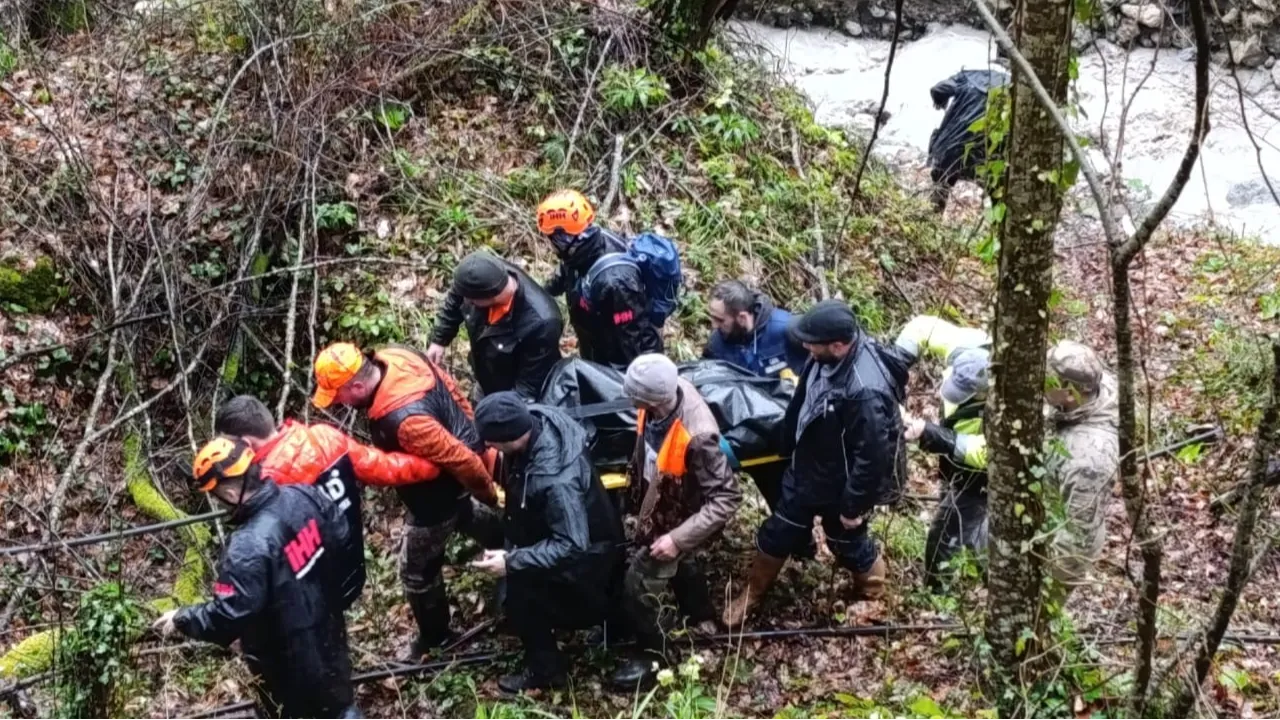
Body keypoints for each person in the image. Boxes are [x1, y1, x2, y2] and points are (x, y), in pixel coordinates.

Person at [311, 342, 501, 660]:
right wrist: (469, 428)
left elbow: (461, 459)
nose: (338, 404)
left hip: (435, 500)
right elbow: (449, 386)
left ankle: (438, 637)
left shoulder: (405, 420)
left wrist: (488, 491)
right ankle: (506, 537)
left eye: (340, 395)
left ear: (357, 385)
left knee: (416, 572)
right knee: (465, 513)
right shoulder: (395, 356)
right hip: (452, 488)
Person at [723, 300, 904, 629]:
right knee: (779, 531)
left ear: (837, 345)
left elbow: (874, 455)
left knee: (847, 542)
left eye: (812, 343)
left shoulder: (865, 391)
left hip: (841, 482)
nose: (805, 346)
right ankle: (752, 592)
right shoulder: (827, 357)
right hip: (808, 467)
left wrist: (854, 505)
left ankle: (873, 594)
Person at [153, 437, 363, 720]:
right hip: (330, 637)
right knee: (341, 708)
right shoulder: (303, 494)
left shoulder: (246, 547)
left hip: (284, 662)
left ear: (228, 491)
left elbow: (229, 614)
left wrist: (183, 618)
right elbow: (341, 536)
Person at [214, 394, 443, 601]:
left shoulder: (267, 482)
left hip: (314, 586)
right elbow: (383, 466)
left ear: (245, 442)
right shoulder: (324, 436)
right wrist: (435, 465)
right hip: (353, 565)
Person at [467, 392, 624, 693]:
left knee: (519, 596)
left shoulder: (556, 480)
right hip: (584, 539)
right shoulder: (539, 417)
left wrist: (512, 561)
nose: (488, 447)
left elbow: (572, 546)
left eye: (492, 442)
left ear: (512, 437)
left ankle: (546, 669)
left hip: (589, 564)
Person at [613, 354, 742, 688]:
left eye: (633, 396)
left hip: (683, 516)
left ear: (653, 399)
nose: (629, 400)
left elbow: (726, 497)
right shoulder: (664, 394)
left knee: (638, 586)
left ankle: (654, 656)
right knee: (684, 564)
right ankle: (698, 613)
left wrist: (677, 539)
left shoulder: (698, 436)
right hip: (666, 503)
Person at [895, 315, 992, 591]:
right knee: (971, 521)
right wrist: (896, 365)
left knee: (946, 530)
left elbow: (988, 455)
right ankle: (983, 565)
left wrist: (928, 433)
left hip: (978, 475)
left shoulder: (1011, 408)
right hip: (954, 458)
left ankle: (938, 593)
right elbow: (920, 327)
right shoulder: (966, 345)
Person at [537, 189, 662, 368]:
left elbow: (633, 340)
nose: (548, 245)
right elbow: (561, 278)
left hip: (619, 363)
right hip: (595, 345)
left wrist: (637, 384)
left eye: (550, 238)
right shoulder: (578, 250)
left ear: (563, 237)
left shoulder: (616, 281)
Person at [424, 251, 564, 400]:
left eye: (470, 300)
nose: (466, 301)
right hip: (486, 375)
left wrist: (498, 413)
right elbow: (455, 297)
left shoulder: (542, 324)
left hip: (517, 393)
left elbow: (528, 388)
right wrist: (439, 339)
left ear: (487, 296)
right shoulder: (486, 273)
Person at [1044, 340, 1119, 597]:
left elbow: (1076, 542)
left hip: (1059, 547)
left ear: (1069, 394)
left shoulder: (1088, 461)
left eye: (1047, 381)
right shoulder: (1095, 386)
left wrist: (1046, 585)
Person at [926, 69, 1010, 213]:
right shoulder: (1012, 89)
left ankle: (930, 220)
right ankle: (996, 229)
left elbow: (938, 89)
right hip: (986, 157)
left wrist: (940, 101)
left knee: (940, 184)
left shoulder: (968, 76)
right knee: (998, 194)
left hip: (951, 150)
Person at [704, 279, 806, 381]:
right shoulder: (715, 346)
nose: (714, 325)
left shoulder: (786, 328)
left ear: (742, 318)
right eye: (712, 317)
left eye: (720, 320)